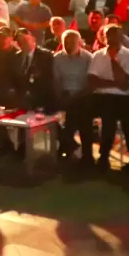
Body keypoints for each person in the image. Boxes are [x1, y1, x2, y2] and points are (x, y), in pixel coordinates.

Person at [86, 24, 129, 172]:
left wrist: (113, 59)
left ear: (121, 36)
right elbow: (92, 81)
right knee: (93, 109)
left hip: (124, 98)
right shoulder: (97, 55)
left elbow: (124, 82)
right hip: (101, 96)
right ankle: (95, 154)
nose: (111, 38)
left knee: (119, 115)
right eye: (108, 35)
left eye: (114, 35)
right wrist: (114, 83)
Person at [52, 29, 94, 163]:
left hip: (83, 95)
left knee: (79, 114)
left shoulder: (88, 58)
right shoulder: (57, 58)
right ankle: (79, 151)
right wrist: (61, 95)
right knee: (51, 115)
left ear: (79, 43)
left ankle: (68, 147)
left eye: (72, 43)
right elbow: (56, 81)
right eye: (66, 43)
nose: (68, 46)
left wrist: (77, 96)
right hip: (65, 94)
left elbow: (91, 83)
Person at [14, 28, 55, 112]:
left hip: (40, 100)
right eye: (19, 41)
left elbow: (49, 80)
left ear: (33, 39)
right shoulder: (16, 57)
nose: (22, 43)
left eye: (25, 39)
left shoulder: (46, 56)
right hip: (22, 101)